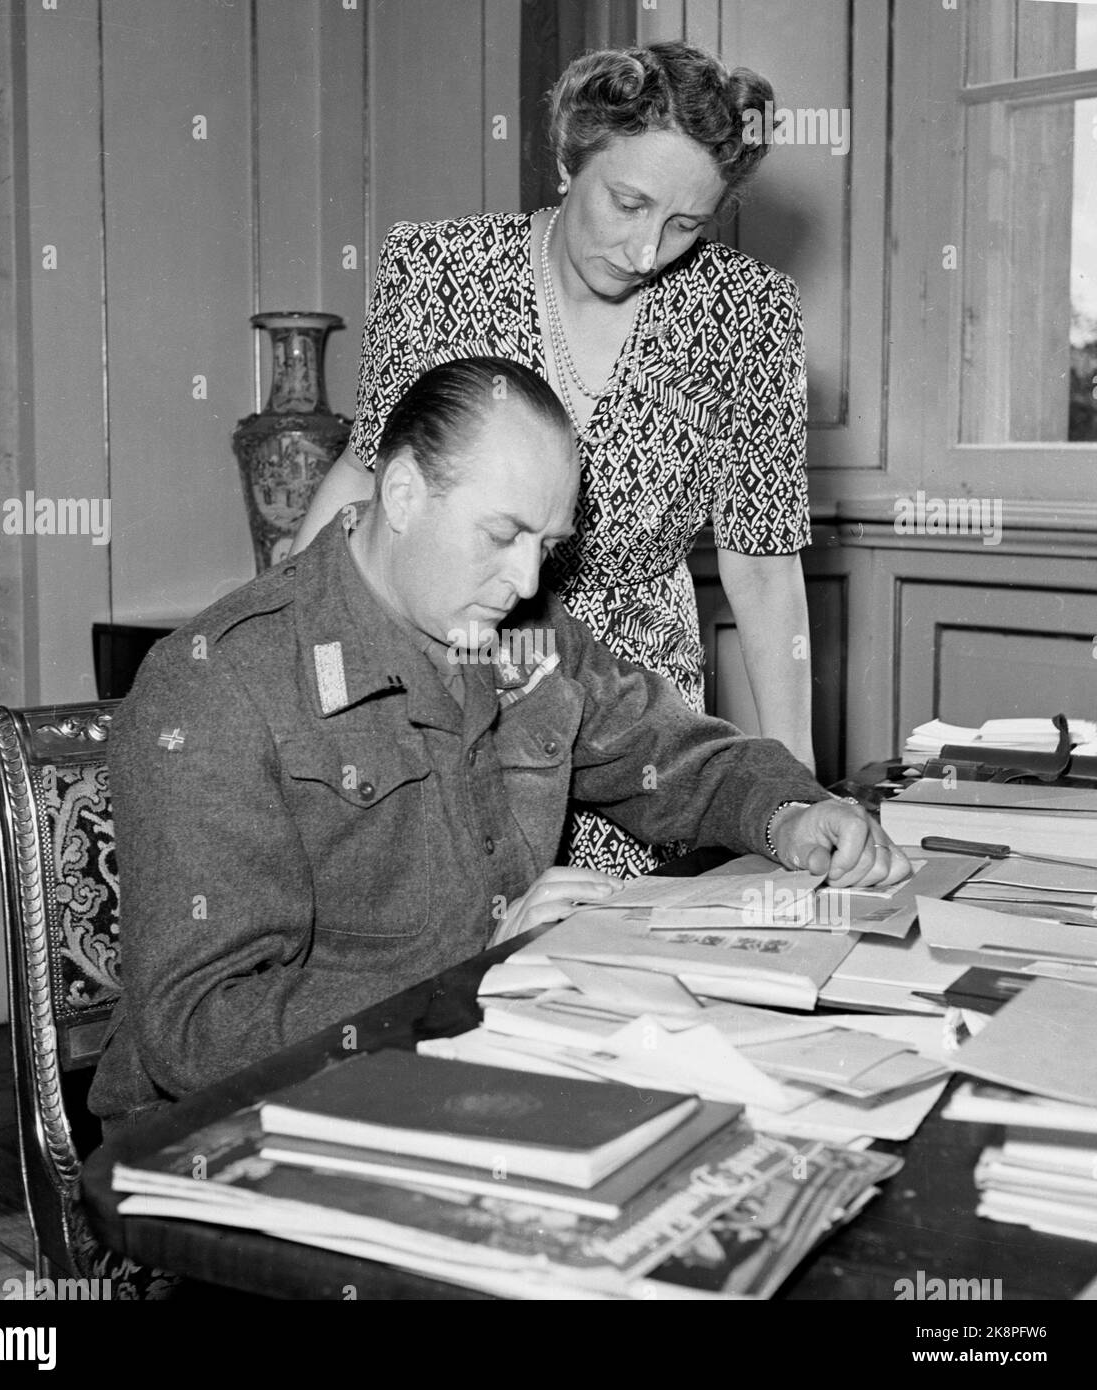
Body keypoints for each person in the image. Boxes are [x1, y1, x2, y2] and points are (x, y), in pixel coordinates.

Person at [89, 359, 906, 1131]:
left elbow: (670, 753)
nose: (524, 581)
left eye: (546, 547)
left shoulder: (509, 635)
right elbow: (197, 1027)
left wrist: (789, 814)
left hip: (474, 1065)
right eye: (503, 535)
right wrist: (469, 965)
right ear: (402, 493)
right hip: (251, 1129)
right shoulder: (220, 681)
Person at [293, 40, 813, 881]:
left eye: (685, 224)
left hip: (639, 720)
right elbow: (368, 477)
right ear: (573, 156)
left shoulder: (746, 314)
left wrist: (794, 800)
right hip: (455, 671)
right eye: (630, 202)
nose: (648, 250)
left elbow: (763, 569)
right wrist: (288, 647)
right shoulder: (441, 270)